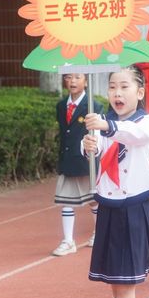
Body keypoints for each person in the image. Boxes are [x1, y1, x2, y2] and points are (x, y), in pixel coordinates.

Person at [83, 67, 149, 298]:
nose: (117, 92)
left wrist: (106, 127)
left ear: (139, 92)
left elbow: (133, 136)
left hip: (133, 209)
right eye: (112, 86)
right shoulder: (103, 123)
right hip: (109, 208)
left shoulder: (148, 121)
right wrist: (90, 144)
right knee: (116, 284)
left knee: (125, 284)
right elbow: (104, 150)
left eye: (124, 86)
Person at [52, 73, 103, 256]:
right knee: (66, 200)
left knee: (93, 200)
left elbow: (97, 134)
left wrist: (92, 153)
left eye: (77, 77)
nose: (72, 81)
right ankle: (68, 241)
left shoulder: (93, 105)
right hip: (67, 159)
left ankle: (99, 233)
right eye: (68, 77)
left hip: (85, 160)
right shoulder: (61, 105)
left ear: (86, 80)